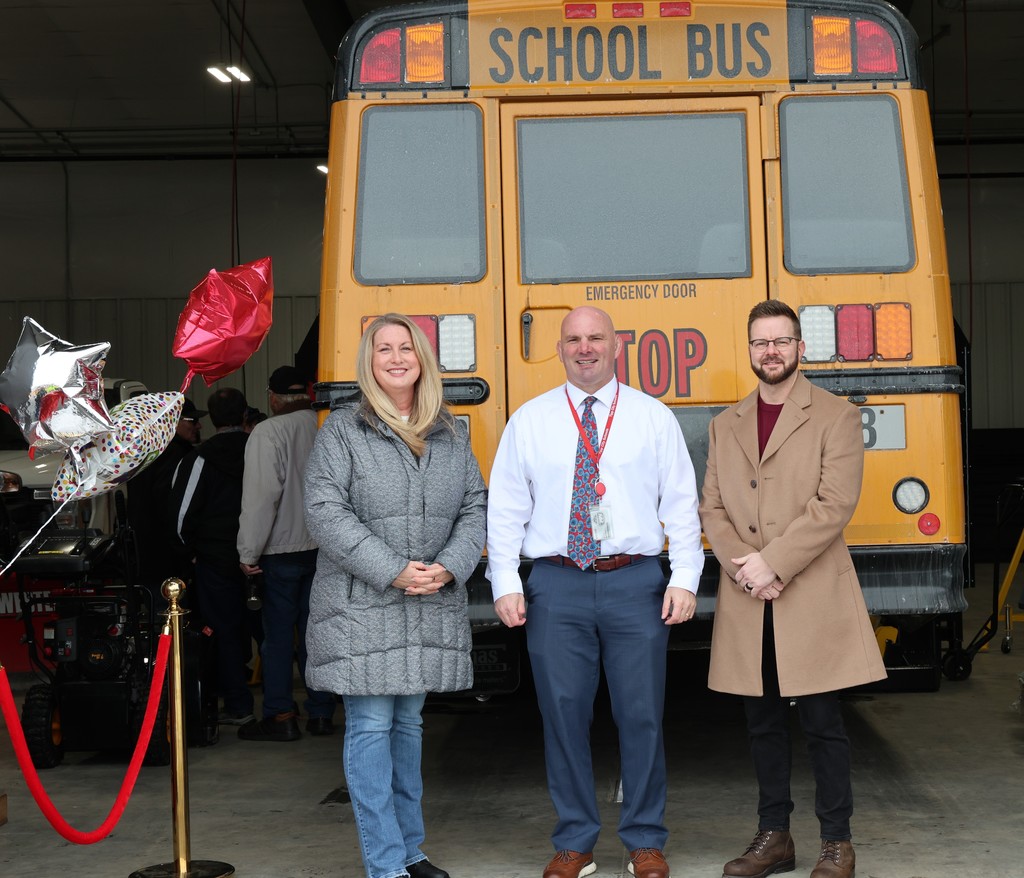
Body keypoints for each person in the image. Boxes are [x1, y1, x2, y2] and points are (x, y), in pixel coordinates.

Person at [486, 305, 704, 878]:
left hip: (635, 582)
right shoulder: (529, 421)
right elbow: (506, 508)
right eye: (574, 339)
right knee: (562, 715)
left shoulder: (652, 417)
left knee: (642, 716)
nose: (585, 348)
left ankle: (644, 840)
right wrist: (505, 580)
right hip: (556, 585)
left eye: (596, 338)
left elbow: (681, 502)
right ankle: (575, 841)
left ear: (616, 347)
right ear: (559, 349)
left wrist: (684, 576)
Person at [699, 300, 887, 878]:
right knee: (762, 724)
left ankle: (837, 841)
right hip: (750, 597)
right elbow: (712, 507)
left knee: (824, 723)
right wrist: (745, 569)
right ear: (750, 349)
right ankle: (774, 836)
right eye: (760, 342)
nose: (771, 351)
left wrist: (774, 564)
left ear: (801, 348)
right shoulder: (724, 424)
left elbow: (834, 505)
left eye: (781, 341)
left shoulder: (836, 416)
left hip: (809, 595)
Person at [304, 314, 486, 878]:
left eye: (406, 347)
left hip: (429, 602)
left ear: (422, 359)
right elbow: (323, 511)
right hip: (364, 608)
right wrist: (393, 570)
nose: (396, 357)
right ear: (369, 360)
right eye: (384, 348)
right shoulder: (342, 430)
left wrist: (450, 568)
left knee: (409, 727)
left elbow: (475, 509)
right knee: (371, 727)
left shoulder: (450, 431)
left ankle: (411, 850)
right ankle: (385, 863)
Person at [237, 365, 336, 741]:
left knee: (278, 637)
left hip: (280, 551)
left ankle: (281, 716)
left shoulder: (268, 432)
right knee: (319, 632)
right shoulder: (327, 424)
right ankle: (322, 712)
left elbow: (262, 498)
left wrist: (248, 551)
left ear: (273, 398)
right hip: (327, 549)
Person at [171, 387, 255, 725]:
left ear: (213, 420)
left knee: (224, 631)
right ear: (246, 415)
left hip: (216, 559)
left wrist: (190, 552)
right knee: (275, 633)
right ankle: (292, 709)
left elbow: (180, 516)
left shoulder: (197, 459)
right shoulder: (262, 450)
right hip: (266, 557)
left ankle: (239, 706)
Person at [127, 397, 203, 593]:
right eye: (192, 421)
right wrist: (186, 549)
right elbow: (169, 506)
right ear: (174, 422)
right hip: (166, 557)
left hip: (148, 553)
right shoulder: (174, 455)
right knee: (171, 613)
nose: (199, 426)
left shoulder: (149, 450)